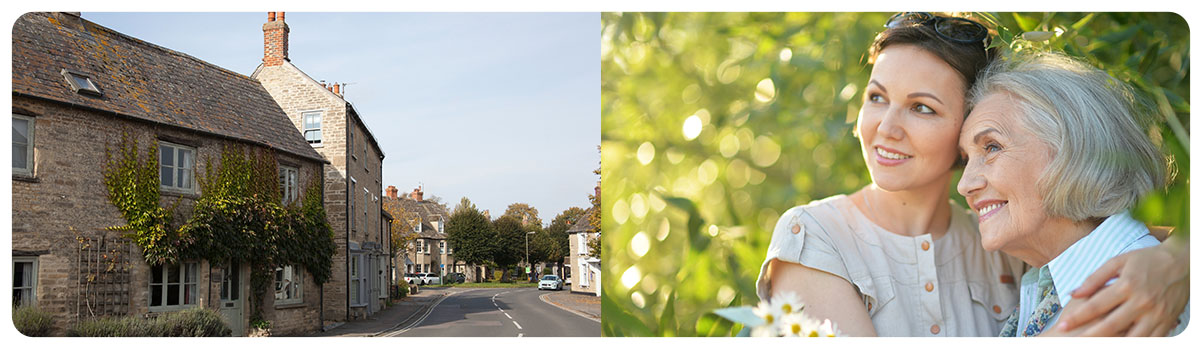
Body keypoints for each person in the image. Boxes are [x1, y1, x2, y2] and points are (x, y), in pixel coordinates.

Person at [754, 12, 1189, 337]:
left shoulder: (1003, 236)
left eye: (922, 107)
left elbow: (1114, 238)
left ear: (966, 124)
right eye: (876, 96)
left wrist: (1178, 261)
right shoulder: (813, 234)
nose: (886, 127)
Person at [957, 51, 1189, 336]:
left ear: (1073, 148)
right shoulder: (1047, 292)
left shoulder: (1148, 303)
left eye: (992, 147)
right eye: (966, 158)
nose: (964, 185)